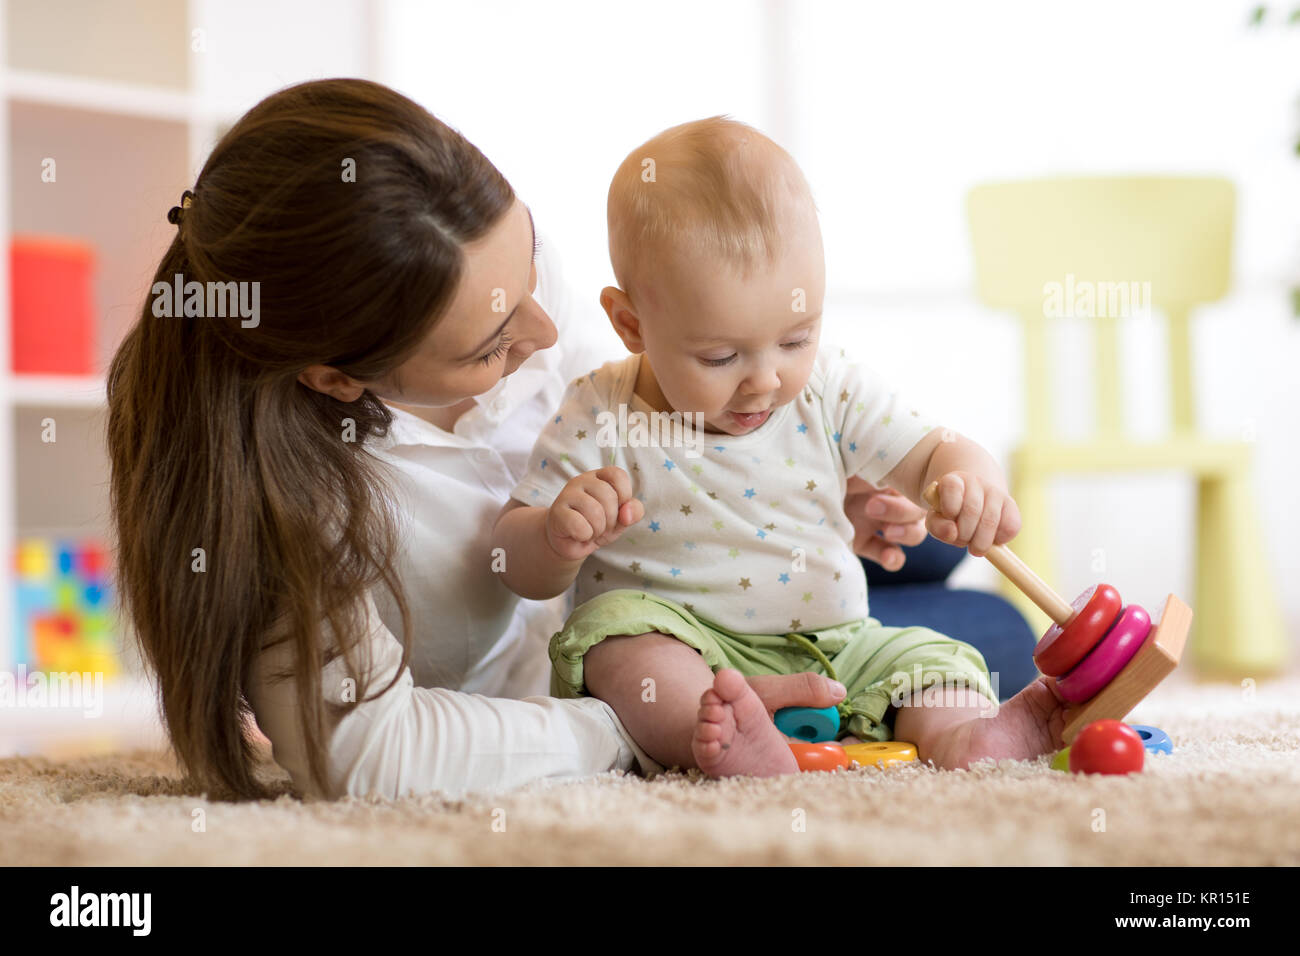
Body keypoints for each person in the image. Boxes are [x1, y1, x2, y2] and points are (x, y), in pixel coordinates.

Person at [105, 79, 915, 801]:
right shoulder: (288, 515)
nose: (546, 327)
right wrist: (639, 726)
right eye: (492, 344)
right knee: (953, 651)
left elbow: (641, 420)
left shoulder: (488, 278)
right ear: (337, 379)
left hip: (679, 565)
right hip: (631, 648)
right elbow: (369, 756)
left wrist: (796, 485)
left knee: (920, 534)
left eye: (528, 264)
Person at [492, 117, 1068, 776]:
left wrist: (971, 477)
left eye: (796, 339)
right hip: (689, 650)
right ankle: (717, 737)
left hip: (835, 644)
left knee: (932, 659)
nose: (765, 381)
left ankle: (970, 737)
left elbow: (934, 449)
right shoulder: (599, 410)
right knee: (619, 644)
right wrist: (555, 536)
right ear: (631, 324)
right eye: (720, 355)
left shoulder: (826, 388)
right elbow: (512, 563)